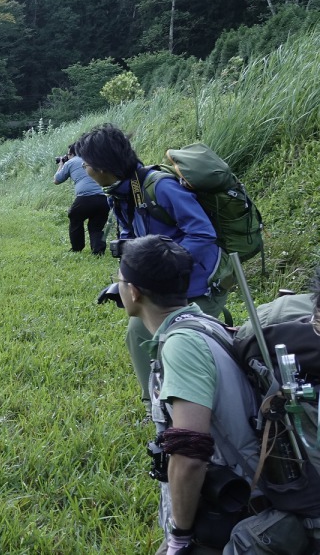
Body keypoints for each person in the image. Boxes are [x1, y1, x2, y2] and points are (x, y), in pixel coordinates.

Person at [116, 236, 316, 555]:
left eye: (120, 280)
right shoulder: (205, 324)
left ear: (134, 291)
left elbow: (189, 452)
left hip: (239, 508)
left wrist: (179, 538)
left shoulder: (182, 346)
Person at [75, 123, 228, 401]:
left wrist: (159, 265)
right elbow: (130, 235)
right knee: (138, 333)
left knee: (170, 340)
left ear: (99, 167)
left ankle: (182, 404)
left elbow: (203, 233)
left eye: (85, 164)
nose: (85, 170)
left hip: (198, 283)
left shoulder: (161, 186)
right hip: (162, 285)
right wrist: (127, 272)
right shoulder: (125, 192)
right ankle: (154, 405)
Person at [53, 143, 109, 255]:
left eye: (68, 154)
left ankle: (77, 248)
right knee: (96, 226)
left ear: (73, 153)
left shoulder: (71, 162)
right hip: (103, 199)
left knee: (75, 217)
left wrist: (61, 164)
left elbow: (57, 180)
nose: (67, 156)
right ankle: (98, 251)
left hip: (85, 198)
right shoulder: (93, 159)